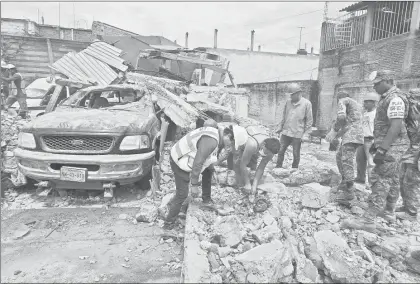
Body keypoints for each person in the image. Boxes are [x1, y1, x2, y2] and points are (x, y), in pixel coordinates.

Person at [342, 70, 410, 232]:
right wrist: (377, 144)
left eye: (377, 83)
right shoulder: (388, 97)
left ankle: (368, 220)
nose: (374, 86)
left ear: (388, 80)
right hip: (392, 146)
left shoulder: (395, 99)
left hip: (392, 148)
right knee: (393, 179)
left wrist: (383, 149)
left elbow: (396, 126)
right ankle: (388, 211)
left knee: (381, 180)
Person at [163, 120, 235, 230]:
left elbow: (207, 156)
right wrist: (194, 185)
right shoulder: (212, 140)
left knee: (208, 170)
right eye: (231, 142)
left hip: (186, 156)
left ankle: (206, 199)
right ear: (228, 135)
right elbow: (198, 162)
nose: (230, 146)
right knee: (182, 193)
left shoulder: (217, 135)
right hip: (179, 159)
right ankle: (168, 223)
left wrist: (210, 167)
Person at [214, 125, 281, 198]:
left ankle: (247, 186)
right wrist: (247, 183)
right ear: (264, 145)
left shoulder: (270, 151)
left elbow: (261, 168)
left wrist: (254, 185)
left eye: (269, 154)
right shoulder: (252, 144)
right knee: (236, 164)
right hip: (241, 143)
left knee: (252, 168)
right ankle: (236, 186)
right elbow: (243, 164)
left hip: (254, 147)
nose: (267, 155)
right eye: (267, 152)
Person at [325, 90, 364, 204]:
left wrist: (333, 131)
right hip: (355, 136)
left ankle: (349, 193)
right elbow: (348, 125)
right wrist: (337, 135)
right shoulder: (356, 104)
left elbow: (341, 119)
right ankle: (344, 182)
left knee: (346, 161)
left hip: (351, 137)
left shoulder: (343, 101)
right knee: (339, 156)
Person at [396, 88, 420, 222]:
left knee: (411, 182)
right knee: (402, 179)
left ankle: (411, 213)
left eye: (413, 100)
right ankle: (406, 206)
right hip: (410, 151)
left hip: (417, 154)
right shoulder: (413, 117)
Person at [275, 83, 313, 169]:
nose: (290, 97)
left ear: (298, 93)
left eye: (292, 95)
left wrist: (306, 134)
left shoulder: (307, 103)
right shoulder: (288, 102)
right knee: (280, 150)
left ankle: (294, 169)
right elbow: (284, 115)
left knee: (296, 153)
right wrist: (280, 127)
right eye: (290, 95)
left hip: (297, 133)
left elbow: (309, 120)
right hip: (286, 132)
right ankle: (278, 167)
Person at [355, 92, 380, 184]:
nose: (365, 104)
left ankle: (371, 183)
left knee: (371, 162)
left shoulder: (376, 114)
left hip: (370, 140)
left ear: (374, 103)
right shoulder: (365, 113)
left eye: (367, 102)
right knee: (360, 160)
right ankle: (360, 178)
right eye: (364, 102)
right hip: (362, 139)